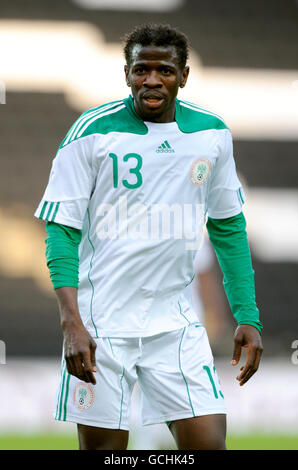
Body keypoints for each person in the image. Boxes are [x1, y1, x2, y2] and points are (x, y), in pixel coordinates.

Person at [34, 23, 263, 450]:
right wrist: (71, 322)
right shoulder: (91, 131)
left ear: (184, 75)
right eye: (141, 70)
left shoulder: (210, 134)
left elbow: (228, 227)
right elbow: (61, 231)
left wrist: (247, 315)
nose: (152, 80)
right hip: (101, 324)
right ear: (126, 74)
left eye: (165, 70)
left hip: (176, 324)